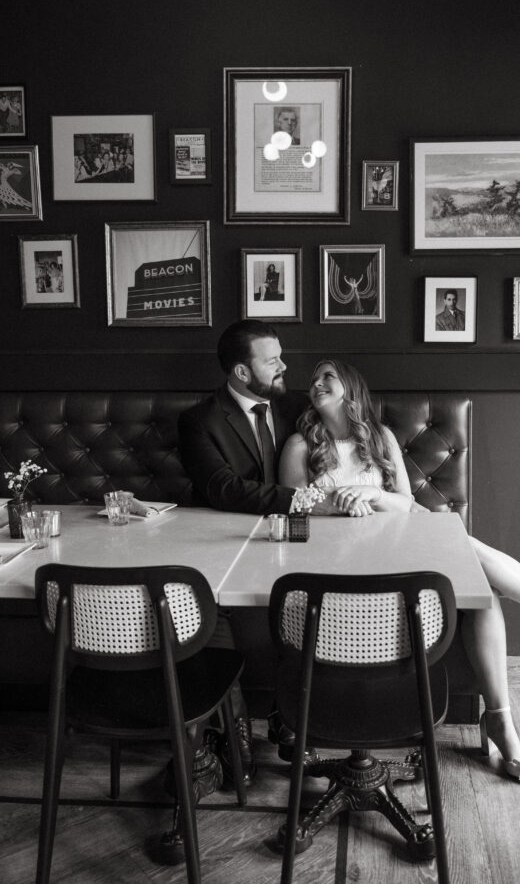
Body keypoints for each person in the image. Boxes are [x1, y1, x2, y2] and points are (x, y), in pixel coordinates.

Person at [279, 358, 520, 786]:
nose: (317, 383)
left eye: (328, 376)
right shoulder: (299, 446)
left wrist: (367, 494)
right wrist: (341, 506)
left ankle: (506, 718)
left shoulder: (380, 438)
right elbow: (293, 509)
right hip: (338, 563)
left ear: (351, 388)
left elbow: (403, 501)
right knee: (480, 575)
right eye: (314, 379)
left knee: (482, 586)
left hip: (401, 545)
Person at [178, 320, 308, 783]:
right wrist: (300, 499)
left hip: (296, 542)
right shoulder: (200, 420)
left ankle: (287, 717)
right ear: (240, 371)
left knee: (309, 600)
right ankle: (228, 735)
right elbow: (222, 488)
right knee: (211, 611)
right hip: (227, 543)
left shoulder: (296, 407)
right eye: (271, 360)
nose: (283, 366)